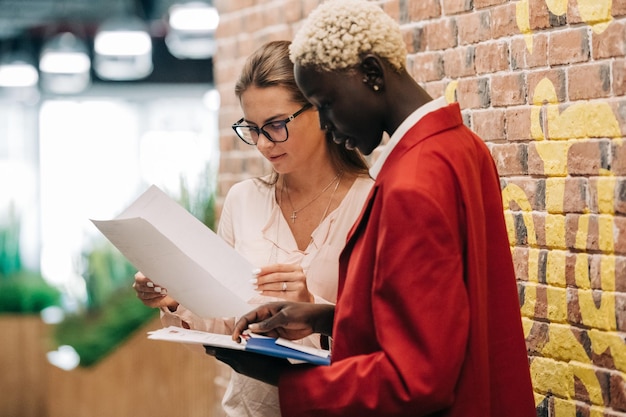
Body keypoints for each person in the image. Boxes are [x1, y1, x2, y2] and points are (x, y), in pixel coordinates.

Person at [209, 1, 537, 416]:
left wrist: (284, 379)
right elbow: (441, 318)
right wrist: (327, 318)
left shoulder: (410, 183)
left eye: (326, 103)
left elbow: (416, 379)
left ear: (371, 74)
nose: (327, 124)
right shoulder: (462, 146)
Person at [132, 39, 373, 416]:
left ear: (320, 110)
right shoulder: (244, 201)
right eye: (252, 127)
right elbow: (225, 326)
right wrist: (175, 297)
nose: (262, 143)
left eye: (276, 125)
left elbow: (385, 339)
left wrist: (312, 310)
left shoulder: (370, 202)